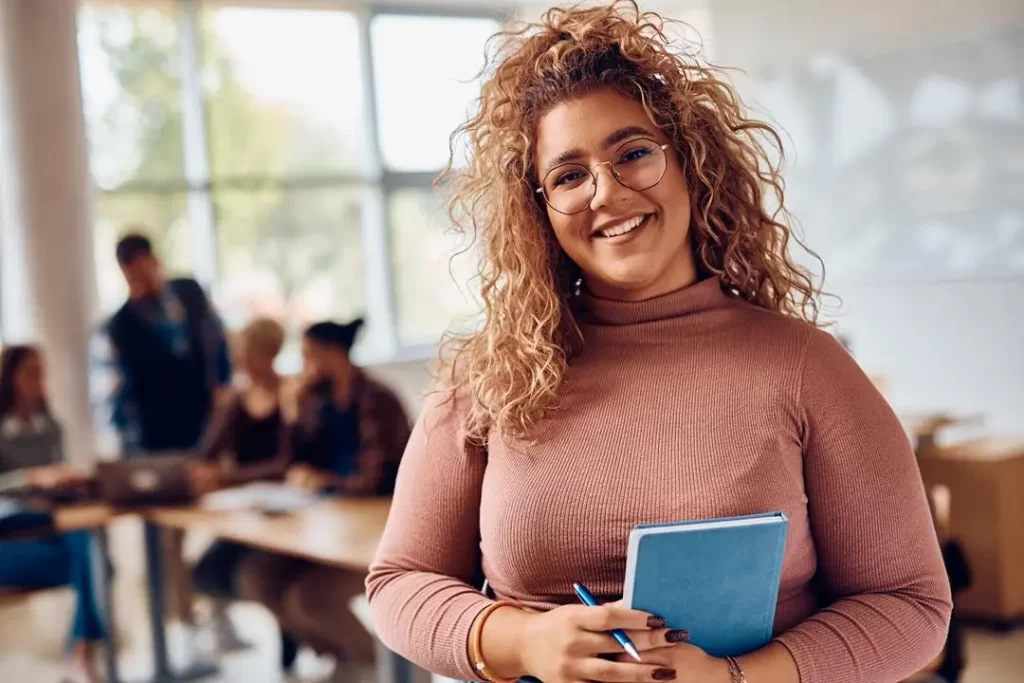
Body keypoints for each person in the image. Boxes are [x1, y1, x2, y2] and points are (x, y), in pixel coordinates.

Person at [365, 4, 952, 683]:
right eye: (568, 175)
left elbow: (910, 604)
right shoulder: (490, 374)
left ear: (690, 163)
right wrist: (521, 640)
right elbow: (400, 582)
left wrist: (737, 678)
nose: (606, 192)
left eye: (633, 153)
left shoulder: (804, 365)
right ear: (539, 209)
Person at [238, 318, 412, 680]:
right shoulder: (319, 398)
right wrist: (292, 412)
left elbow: (379, 481)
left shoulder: (377, 400)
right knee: (257, 577)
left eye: (308, 356)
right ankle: (344, 657)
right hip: (333, 522)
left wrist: (324, 481)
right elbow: (293, 463)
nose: (303, 367)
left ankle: (386, 667)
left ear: (333, 354)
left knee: (308, 598)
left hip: (378, 531)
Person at [90, 232, 232, 636]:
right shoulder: (119, 327)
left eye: (146, 268)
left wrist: (224, 395)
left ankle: (216, 605)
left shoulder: (190, 294)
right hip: (157, 447)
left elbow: (219, 346)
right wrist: (134, 460)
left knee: (227, 520)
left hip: (206, 435)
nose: (143, 279)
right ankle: (184, 622)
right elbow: (116, 398)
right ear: (123, 273)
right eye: (132, 274)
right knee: (169, 537)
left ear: (155, 261)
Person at [188, 317, 298, 668]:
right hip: (246, 509)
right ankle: (283, 625)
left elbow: (286, 462)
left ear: (268, 353)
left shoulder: (291, 395)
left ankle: (292, 633)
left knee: (264, 574)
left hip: (289, 509)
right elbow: (207, 451)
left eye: (245, 354)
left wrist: (228, 477)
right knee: (206, 571)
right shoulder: (237, 400)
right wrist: (206, 472)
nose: (239, 362)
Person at [0, 345, 105, 683]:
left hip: (49, 528)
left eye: (42, 371)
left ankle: (80, 653)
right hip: (8, 538)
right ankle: (81, 654)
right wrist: (27, 480)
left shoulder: (50, 426)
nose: (39, 379)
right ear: (11, 376)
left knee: (84, 544)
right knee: (95, 563)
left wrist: (68, 481)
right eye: (30, 371)